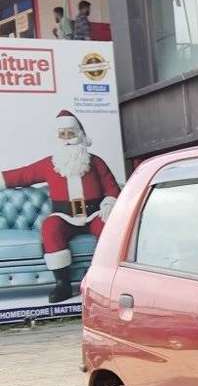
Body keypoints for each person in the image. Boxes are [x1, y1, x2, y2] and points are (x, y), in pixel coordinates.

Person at [0, 110, 120, 303]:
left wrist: (109, 203)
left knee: (110, 231)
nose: (67, 139)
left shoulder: (96, 162)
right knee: (50, 228)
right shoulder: (50, 164)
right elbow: (21, 175)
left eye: (71, 134)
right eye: (62, 135)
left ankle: (107, 280)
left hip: (95, 212)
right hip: (64, 216)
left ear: (80, 135)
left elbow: (112, 188)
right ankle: (62, 284)